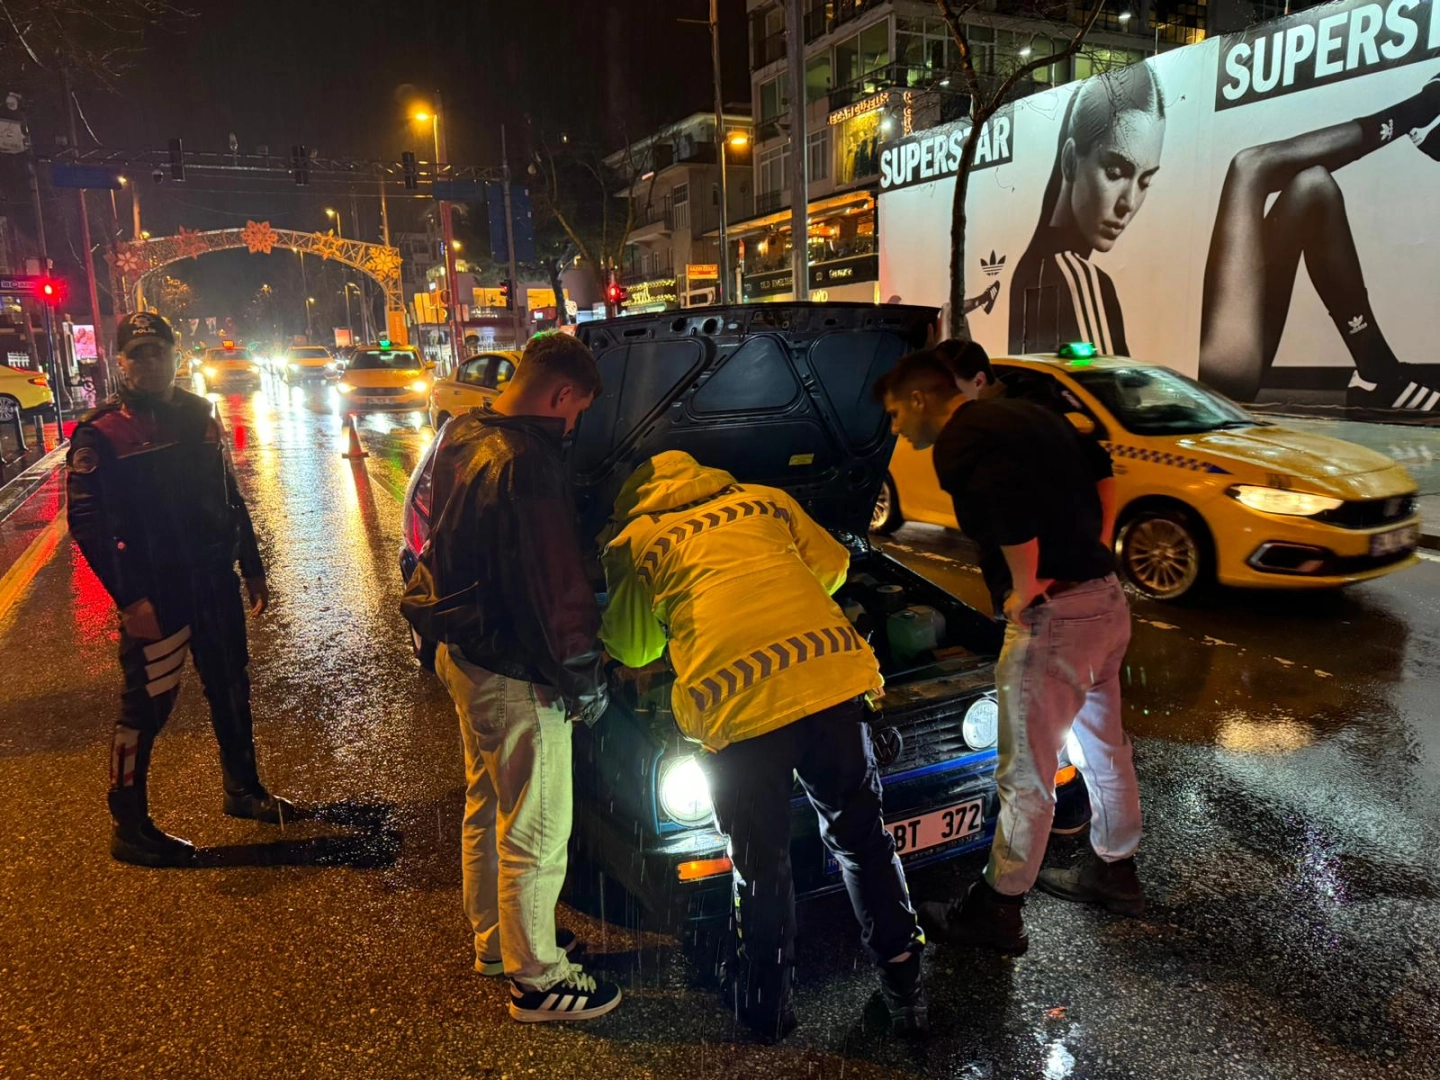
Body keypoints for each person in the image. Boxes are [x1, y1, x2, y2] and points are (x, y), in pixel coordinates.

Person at [598, 449, 926, 1042]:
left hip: (738, 710)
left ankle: (767, 1008)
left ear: (634, 500)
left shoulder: (636, 541)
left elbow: (633, 648)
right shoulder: (766, 499)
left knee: (762, 867)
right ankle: (907, 991)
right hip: (831, 682)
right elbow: (833, 568)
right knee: (864, 842)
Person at [873, 350, 1143, 956]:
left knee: (1026, 775)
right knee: (1106, 748)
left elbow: (1008, 511)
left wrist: (1024, 586)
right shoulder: (1028, 413)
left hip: (1055, 619)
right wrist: (1095, 550)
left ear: (919, 399)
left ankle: (998, 911)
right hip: (1104, 601)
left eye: (895, 414)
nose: (896, 428)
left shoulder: (960, 437)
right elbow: (1101, 468)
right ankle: (1116, 870)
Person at [401, 331, 619, 1023]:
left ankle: (499, 942)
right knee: (538, 825)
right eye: (577, 411)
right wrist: (585, 683)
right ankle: (538, 979)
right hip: (517, 669)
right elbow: (556, 591)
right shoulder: (526, 463)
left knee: (489, 801)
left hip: (466, 650)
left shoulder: (465, 432)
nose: (575, 426)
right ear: (562, 394)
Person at [66, 312, 292, 869]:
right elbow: (88, 525)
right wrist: (130, 599)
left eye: (158, 351)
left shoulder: (199, 413)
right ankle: (129, 826)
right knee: (145, 707)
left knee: (231, 686)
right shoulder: (102, 432)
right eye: (137, 354)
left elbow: (228, 493)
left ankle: (243, 790)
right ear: (120, 362)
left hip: (213, 580)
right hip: (157, 593)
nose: (149, 363)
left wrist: (252, 565)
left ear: (174, 354)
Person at [1200, 75, 1440, 410]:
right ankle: (1418, 110)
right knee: (1249, 166)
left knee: (1313, 186)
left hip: (1214, 363)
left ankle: (1376, 371)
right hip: (1208, 375)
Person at [1008, 62, 1166, 357]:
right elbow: (1109, 384)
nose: (1129, 203)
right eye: (1115, 172)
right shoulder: (1079, 277)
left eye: (1145, 181)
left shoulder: (1031, 267)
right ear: (1070, 161)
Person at [935, 338, 1117, 552]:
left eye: (949, 390)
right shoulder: (977, 425)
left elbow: (1099, 464)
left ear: (978, 382)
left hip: (1060, 556)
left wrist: (1102, 544)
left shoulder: (1031, 412)